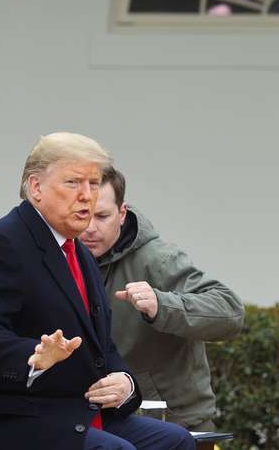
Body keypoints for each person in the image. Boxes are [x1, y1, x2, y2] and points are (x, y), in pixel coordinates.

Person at [0, 133, 194, 450]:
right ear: (36, 188)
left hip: (63, 413)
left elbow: (101, 348)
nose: (86, 196)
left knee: (174, 441)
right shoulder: (1, 244)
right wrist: (34, 357)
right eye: (74, 183)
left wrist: (125, 383)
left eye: (93, 183)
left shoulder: (76, 251)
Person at [79, 167, 244, 431]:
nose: (90, 228)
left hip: (173, 422)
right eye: (84, 215)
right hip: (96, 422)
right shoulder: (63, 260)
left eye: (102, 216)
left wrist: (162, 306)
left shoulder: (158, 259)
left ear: (122, 213)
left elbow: (230, 312)